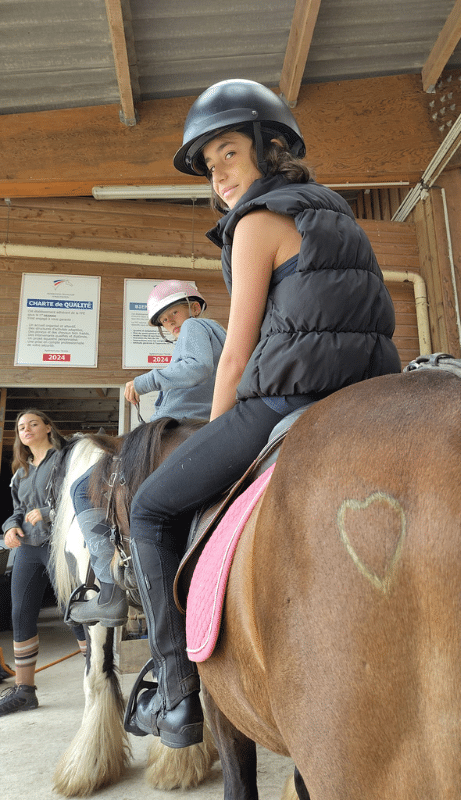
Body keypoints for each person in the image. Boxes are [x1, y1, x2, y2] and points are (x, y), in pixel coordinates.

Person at [122, 78, 402, 749]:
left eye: (226, 154)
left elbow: (233, 356)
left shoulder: (255, 222)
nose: (218, 174)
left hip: (284, 399)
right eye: (209, 165)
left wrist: (217, 434)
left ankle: (177, 692)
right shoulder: (334, 211)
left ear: (268, 148)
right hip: (367, 398)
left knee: (150, 510)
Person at [67, 280, 226, 627]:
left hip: (176, 427)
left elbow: (196, 368)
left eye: (175, 314)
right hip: (207, 425)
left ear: (194, 308)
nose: (172, 324)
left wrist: (143, 382)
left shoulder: (196, 328)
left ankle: (109, 591)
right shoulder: (220, 335)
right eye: (165, 322)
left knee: (81, 488)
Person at [0, 410, 86, 715]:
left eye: (33, 423)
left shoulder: (65, 460)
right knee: (20, 612)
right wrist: (10, 527)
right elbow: (17, 510)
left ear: (48, 427)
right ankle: (25, 692)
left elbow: (81, 494)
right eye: (21, 426)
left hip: (58, 544)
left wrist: (49, 513)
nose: (26, 429)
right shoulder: (20, 472)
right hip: (27, 548)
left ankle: (98, 674)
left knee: (71, 608)